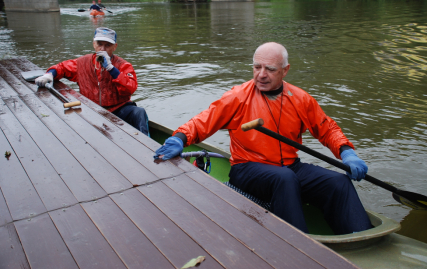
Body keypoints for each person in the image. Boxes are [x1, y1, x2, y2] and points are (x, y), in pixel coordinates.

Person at [154, 42, 372, 235]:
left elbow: (327, 129)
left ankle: (361, 238)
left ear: (285, 71)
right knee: (284, 179)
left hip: (289, 166)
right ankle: (300, 245)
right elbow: (204, 121)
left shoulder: (300, 99)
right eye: (257, 67)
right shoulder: (238, 96)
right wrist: (180, 139)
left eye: (270, 69)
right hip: (247, 168)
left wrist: (346, 152)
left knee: (338, 182)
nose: (261, 74)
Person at [35, 27, 150, 136]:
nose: (103, 49)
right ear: (94, 44)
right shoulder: (82, 62)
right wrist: (49, 74)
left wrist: (111, 69)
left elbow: (130, 88)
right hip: (91, 109)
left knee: (138, 112)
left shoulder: (123, 65)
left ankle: (147, 145)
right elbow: (62, 68)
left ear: (115, 47)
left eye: (108, 45)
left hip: (118, 109)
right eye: (100, 44)